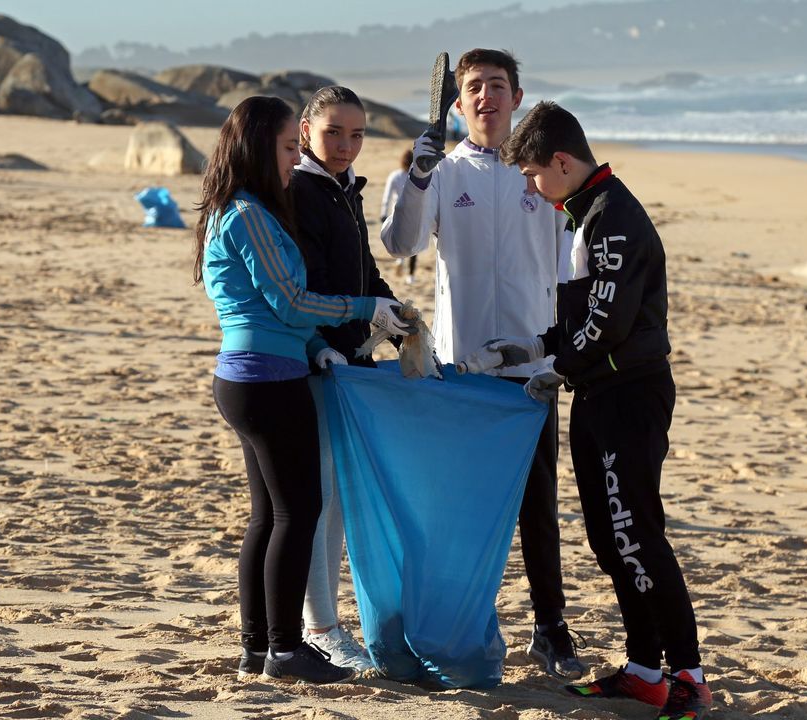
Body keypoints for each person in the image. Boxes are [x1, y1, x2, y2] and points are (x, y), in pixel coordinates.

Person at [460, 100, 712, 719]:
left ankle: (688, 675)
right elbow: (583, 313)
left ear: (563, 162)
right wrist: (538, 346)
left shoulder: (613, 219)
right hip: (601, 394)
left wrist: (556, 367)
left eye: (532, 174)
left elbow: (608, 321)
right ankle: (644, 670)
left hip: (630, 397)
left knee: (635, 533)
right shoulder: (585, 211)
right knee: (608, 535)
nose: (529, 186)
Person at [192, 95, 412, 684]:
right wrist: (366, 308)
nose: (297, 160)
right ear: (258, 148)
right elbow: (288, 302)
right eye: (291, 147)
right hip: (265, 378)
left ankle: (258, 648)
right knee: (299, 512)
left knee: (269, 515)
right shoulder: (247, 214)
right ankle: (288, 647)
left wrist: (321, 343)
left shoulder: (248, 209)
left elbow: (286, 309)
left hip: (264, 371)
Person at [380, 48, 585, 679]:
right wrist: (415, 176)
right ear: (459, 101)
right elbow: (401, 244)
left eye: (498, 85)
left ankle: (550, 626)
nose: (486, 96)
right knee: (460, 507)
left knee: (536, 506)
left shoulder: (539, 175)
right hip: (460, 370)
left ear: (517, 97)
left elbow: (570, 265)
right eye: (474, 87)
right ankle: (466, 627)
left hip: (531, 372)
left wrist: (557, 351)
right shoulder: (444, 172)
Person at [288, 85, 396, 673]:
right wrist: (327, 346)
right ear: (306, 130)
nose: (347, 145)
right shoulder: (299, 190)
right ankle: (321, 627)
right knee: (320, 499)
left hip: (353, 362)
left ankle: (326, 621)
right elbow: (303, 286)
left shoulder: (343, 189)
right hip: (315, 364)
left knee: (337, 501)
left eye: (357, 134)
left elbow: (364, 270)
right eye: (335, 132)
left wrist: (394, 314)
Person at [380, 148, 416, 284]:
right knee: (414, 244)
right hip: (413, 213)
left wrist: (383, 213)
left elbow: (387, 196)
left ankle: (400, 260)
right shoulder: (416, 176)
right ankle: (411, 275)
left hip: (397, 214)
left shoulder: (395, 176)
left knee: (400, 241)